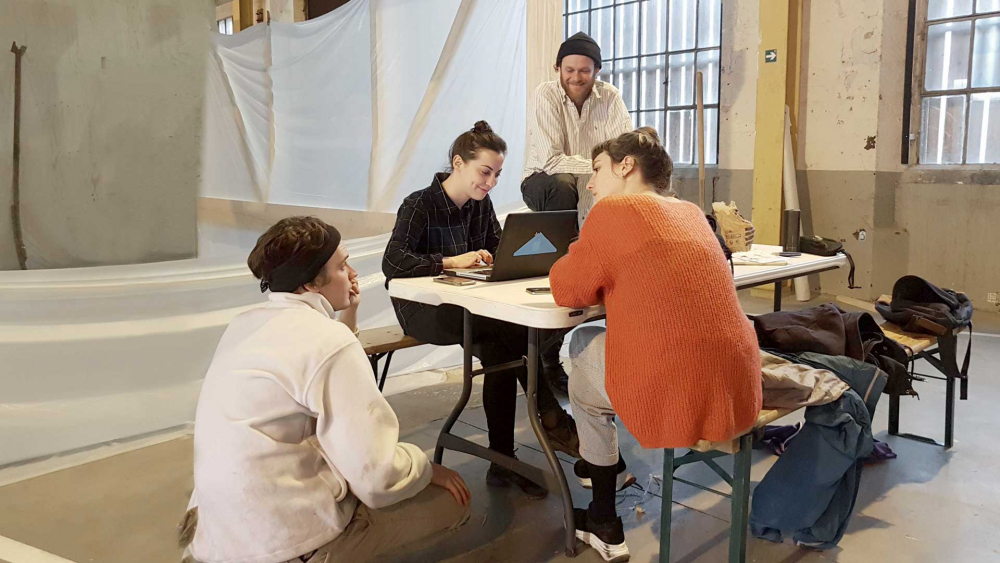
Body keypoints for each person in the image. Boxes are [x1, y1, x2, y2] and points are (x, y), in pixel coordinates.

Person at [181, 217, 471, 563]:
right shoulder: (326, 342)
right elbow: (377, 479)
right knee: (451, 504)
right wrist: (424, 468)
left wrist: (348, 313)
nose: (351, 273)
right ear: (310, 284)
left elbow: (317, 367)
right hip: (284, 543)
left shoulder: (246, 324)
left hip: (221, 533)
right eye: (341, 265)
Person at [549, 128, 763, 562]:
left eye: (596, 170)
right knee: (599, 342)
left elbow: (566, 289)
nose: (590, 184)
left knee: (576, 351)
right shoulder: (689, 212)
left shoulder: (613, 213)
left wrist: (580, 249)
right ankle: (601, 470)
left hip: (678, 391)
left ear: (625, 166)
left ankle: (603, 515)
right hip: (737, 383)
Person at [382, 121, 580, 500]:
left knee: (500, 347)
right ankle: (549, 419)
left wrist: (512, 255)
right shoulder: (418, 204)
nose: (490, 183)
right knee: (507, 335)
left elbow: (497, 246)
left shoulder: (480, 205)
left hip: (470, 307)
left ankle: (504, 461)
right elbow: (394, 262)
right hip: (423, 308)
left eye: (497, 174)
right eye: (484, 172)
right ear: (459, 163)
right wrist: (451, 262)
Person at [522, 31, 633, 393]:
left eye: (584, 70)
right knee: (563, 186)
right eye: (568, 69)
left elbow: (627, 149)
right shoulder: (546, 94)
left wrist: (612, 172)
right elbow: (553, 161)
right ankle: (548, 357)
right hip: (546, 183)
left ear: (596, 70)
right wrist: (604, 166)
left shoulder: (611, 97)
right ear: (558, 68)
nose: (575, 77)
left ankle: (614, 351)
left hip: (590, 187)